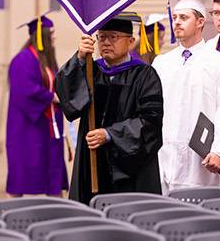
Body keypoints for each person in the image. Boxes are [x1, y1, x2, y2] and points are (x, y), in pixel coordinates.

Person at [55, 12, 164, 204]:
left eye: (113, 37)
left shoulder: (145, 75)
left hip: (130, 167)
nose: (106, 42)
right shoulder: (91, 70)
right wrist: (79, 58)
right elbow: (67, 94)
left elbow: (151, 122)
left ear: (130, 41)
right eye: (102, 37)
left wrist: (110, 134)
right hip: (92, 161)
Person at [152, 0, 220, 194]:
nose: (176, 23)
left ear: (201, 22)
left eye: (184, 18)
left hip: (201, 159)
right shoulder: (161, 63)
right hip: (164, 155)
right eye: (175, 18)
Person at [6, 14, 68, 197]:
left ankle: (58, 213)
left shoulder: (45, 61)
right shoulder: (23, 60)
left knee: (53, 172)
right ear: (42, 35)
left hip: (46, 128)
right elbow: (26, 92)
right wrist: (53, 97)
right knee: (24, 172)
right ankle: (13, 215)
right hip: (28, 129)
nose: (55, 37)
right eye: (52, 33)